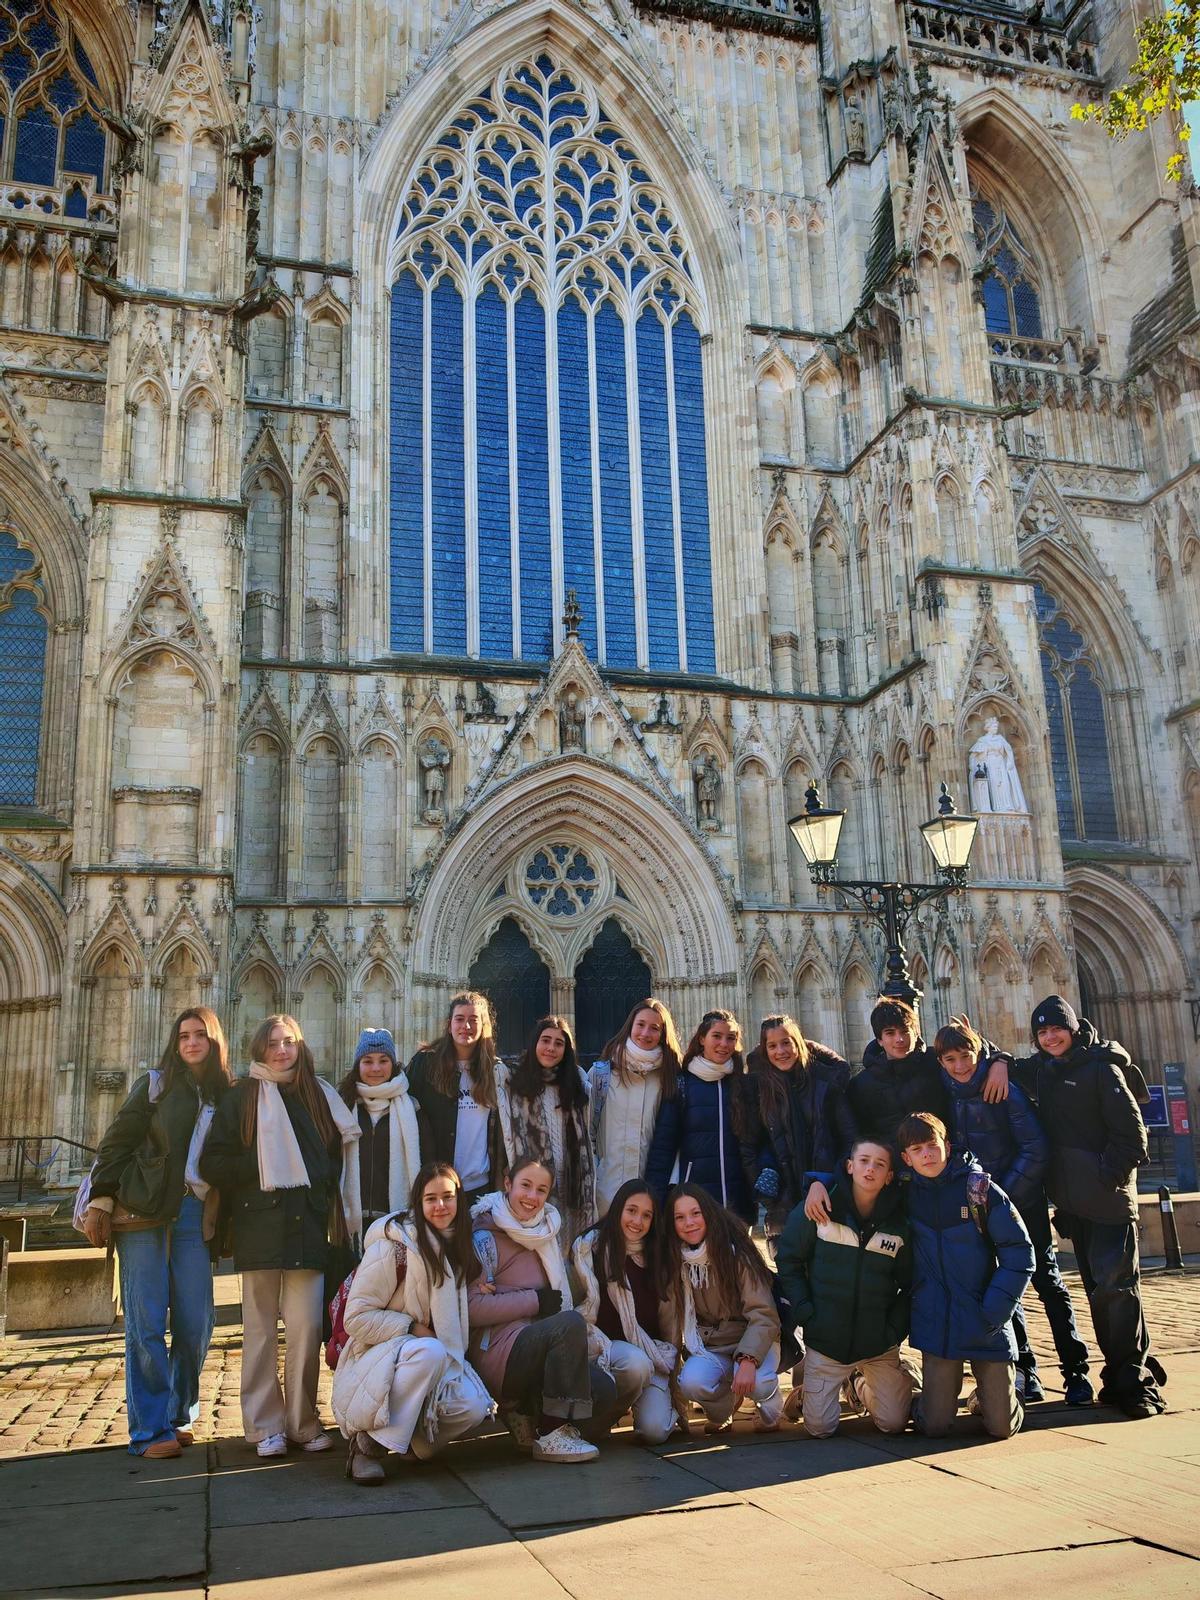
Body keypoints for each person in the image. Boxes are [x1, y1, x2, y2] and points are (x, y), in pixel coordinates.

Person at [200, 1013, 361, 1457]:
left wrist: (317, 1177)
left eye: (289, 1041)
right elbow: (213, 1162)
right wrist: (263, 1167)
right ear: (260, 1048)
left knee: (308, 1330)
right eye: (273, 1042)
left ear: (300, 1046)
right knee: (259, 1331)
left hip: (308, 1230)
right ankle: (263, 1425)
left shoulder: (319, 1095)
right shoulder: (243, 1097)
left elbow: (336, 1157)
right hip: (260, 1227)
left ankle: (303, 1423)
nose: (281, 1050)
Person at [997, 995, 1165, 1418]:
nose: (1051, 1037)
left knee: (1116, 1290)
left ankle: (1134, 1381)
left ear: (1072, 1028)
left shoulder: (1100, 1068)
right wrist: (996, 1059)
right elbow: (1006, 1066)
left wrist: (1104, 1178)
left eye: (1057, 1028)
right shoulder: (1045, 1069)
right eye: (1043, 1031)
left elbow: (1132, 1137)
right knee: (1099, 1292)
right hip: (1074, 1206)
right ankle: (1123, 1371)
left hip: (1107, 1202)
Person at [82, 1007, 233, 1458]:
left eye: (199, 1035)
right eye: (183, 1035)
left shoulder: (226, 1094)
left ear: (213, 1041)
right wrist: (101, 1197)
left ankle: (179, 1411)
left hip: (193, 1213)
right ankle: (149, 1430)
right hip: (144, 1212)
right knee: (146, 1321)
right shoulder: (155, 1084)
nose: (191, 1042)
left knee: (196, 1321)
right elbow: (117, 1141)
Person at [934, 1017, 1090, 1406]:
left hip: (1021, 1203)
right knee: (1005, 1289)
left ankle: (1075, 1373)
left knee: (1047, 1282)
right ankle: (1025, 1372)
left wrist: (1004, 1197)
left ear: (977, 1051)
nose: (959, 1065)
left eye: (965, 1055)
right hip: (982, 1207)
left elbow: (1035, 1148)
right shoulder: (949, 1092)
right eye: (950, 1059)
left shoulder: (1001, 1088)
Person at [332, 1162, 494, 1484]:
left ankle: (407, 1441)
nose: (440, 1206)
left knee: (474, 1407)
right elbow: (356, 1318)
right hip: (377, 1358)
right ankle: (366, 1448)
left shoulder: (459, 1249)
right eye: (431, 1198)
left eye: (448, 1197)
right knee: (430, 1352)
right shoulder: (394, 1247)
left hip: (429, 1359)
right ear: (417, 1204)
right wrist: (411, 1328)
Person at [468, 1156, 619, 1462]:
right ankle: (552, 1433)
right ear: (507, 1184)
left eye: (541, 1190)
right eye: (525, 1185)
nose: (531, 1197)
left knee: (604, 1390)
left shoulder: (546, 1232)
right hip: (499, 1349)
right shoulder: (485, 1236)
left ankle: (527, 1416)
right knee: (569, 1323)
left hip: (538, 1344)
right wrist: (534, 1300)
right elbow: (470, 1307)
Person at [804, 997, 1007, 1224]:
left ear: (915, 1030)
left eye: (905, 1030)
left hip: (945, 1175)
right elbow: (853, 1138)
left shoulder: (934, 1062)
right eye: (890, 1033)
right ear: (879, 1040)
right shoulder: (861, 1085)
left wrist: (999, 1060)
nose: (900, 1039)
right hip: (895, 1185)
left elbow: (969, 1062)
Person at [899, 1112, 1034, 1440]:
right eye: (917, 1150)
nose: (927, 1155)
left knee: (1002, 1428)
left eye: (932, 1146)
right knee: (933, 1426)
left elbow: (1020, 1253)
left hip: (985, 1318)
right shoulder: (903, 1196)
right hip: (938, 1324)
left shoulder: (980, 1189)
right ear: (906, 1158)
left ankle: (989, 1397)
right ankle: (918, 1385)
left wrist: (997, 1309)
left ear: (946, 1146)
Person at [774, 1138, 913, 1440]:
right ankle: (815, 1390)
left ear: (889, 1175)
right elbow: (788, 1261)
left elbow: (912, 1284)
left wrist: (892, 1330)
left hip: (878, 1345)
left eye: (879, 1164)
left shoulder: (900, 1224)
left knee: (894, 1423)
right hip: (827, 1343)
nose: (870, 1169)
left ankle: (859, 1385)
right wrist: (806, 1313)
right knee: (820, 1429)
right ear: (850, 1166)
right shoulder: (819, 1208)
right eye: (863, 1161)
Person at [662, 1183, 782, 1432]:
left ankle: (770, 1403)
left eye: (696, 1213)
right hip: (712, 1346)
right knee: (692, 1382)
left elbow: (764, 1315)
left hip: (752, 1341)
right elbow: (672, 1323)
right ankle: (726, 1406)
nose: (689, 1223)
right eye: (680, 1217)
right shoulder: (675, 1260)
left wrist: (748, 1360)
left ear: (708, 1213)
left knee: (758, 1384)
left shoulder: (735, 1253)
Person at [570, 1180, 679, 1445]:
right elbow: (572, 1311)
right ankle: (602, 1417)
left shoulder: (658, 1259)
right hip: (599, 1353)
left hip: (650, 1355)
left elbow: (670, 1327)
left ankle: (633, 1405)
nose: (637, 1221)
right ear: (618, 1209)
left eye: (646, 1215)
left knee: (654, 1431)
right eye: (631, 1210)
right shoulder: (589, 1250)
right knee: (634, 1363)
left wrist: (675, 1389)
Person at [735, 1013, 854, 1250]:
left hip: (831, 1196)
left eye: (786, 1042)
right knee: (791, 1277)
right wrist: (768, 1194)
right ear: (765, 1050)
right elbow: (748, 1146)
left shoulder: (826, 1082)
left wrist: (828, 1181)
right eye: (772, 1046)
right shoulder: (758, 1090)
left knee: (834, 1277)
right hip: (783, 1205)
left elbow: (850, 1138)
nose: (780, 1051)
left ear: (799, 1043)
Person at [646, 1010, 752, 1223]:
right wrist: (655, 1200)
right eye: (717, 1036)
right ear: (702, 1039)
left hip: (737, 1200)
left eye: (731, 1038)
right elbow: (663, 1148)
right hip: (694, 1203)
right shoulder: (682, 1084)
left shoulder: (742, 1084)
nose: (724, 1044)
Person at [496, 1015, 595, 1243]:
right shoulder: (513, 1082)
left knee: (570, 1246)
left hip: (573, 1182)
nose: (551, 1048)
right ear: (535, 1043)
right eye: (545, 1040)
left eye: (559, 1043)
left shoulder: (577, 1083)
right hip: (534, 1185)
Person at [408, 992, 504, 1205]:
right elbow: (403, 1111)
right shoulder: (425, 1065)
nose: (466, 1026)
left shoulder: (496, 1072)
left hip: (480, 1187)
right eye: (459, 1019)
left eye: (473, 1020)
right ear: (449, 1023)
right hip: (437, 1186)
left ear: (483, 1025)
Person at [588, 999, 683, 1214]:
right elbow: (585, 1132)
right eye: (640, 1024)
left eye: (655, 1028)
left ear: (663, 1034)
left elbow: (675, 1139)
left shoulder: (670, 1079)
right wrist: (596, 1174)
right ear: (630, 1026)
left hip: (650, 1194)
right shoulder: (601, 1075)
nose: (645, 1033)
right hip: (604, 1191)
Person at [337, 1027, 427, 1233]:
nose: (376, 1068)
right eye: (367, 1061)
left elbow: (427, 1161)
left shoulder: (413, 1109)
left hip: (395, 1220)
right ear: (357, 1065)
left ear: (393, 1065)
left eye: (383, 1060)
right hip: (350, 1221)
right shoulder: (341, 1107)